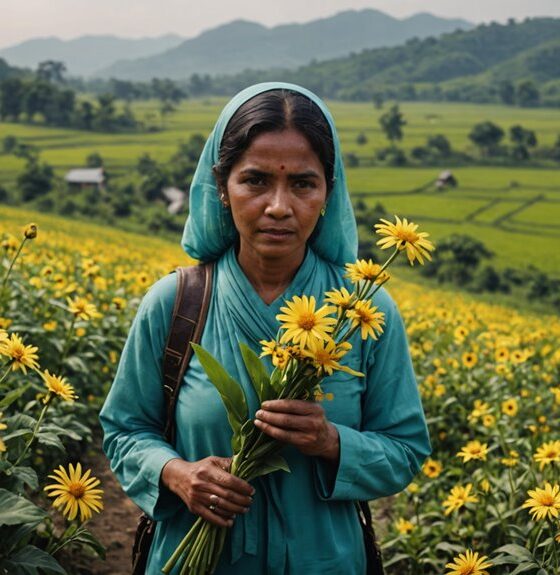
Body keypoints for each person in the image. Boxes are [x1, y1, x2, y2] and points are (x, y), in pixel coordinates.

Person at [100, 82, 431, 575]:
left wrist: (332, 442)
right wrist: (178, 473)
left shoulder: (363, 312)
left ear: (327, 193)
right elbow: (125, 431)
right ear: (221, 187)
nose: (279, 206)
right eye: (255, 180)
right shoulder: (175, 303)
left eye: (303, 183)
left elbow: (405, 451)